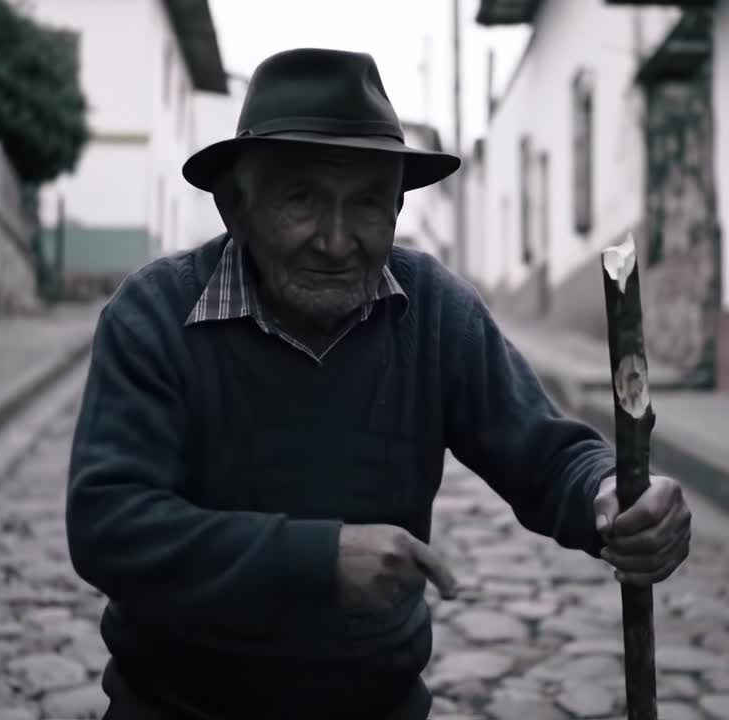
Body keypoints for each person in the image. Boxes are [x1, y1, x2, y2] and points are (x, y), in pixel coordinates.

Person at [66, 47, 692, 720]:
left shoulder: (433, 309)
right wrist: (317, 561)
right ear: (235, 208)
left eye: (367, 204)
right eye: (302, 199)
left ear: (398, 208)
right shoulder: (155, 315)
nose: (337, 241)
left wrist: (612, 496)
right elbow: (110, 524)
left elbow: (546, 452)